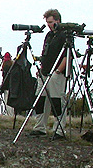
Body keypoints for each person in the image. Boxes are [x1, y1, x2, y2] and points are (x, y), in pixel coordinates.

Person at [29, 9, 67, 138]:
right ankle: (40, 127)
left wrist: (58, 71)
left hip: (56, 73)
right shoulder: (49, 36)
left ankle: (59, 130)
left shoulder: (64, 35)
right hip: (44, 72)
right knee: (40, 100)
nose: (49, 25)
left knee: (57, 101)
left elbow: (67, 56)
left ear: (58, 20)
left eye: (51, 22)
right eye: (47, 22)